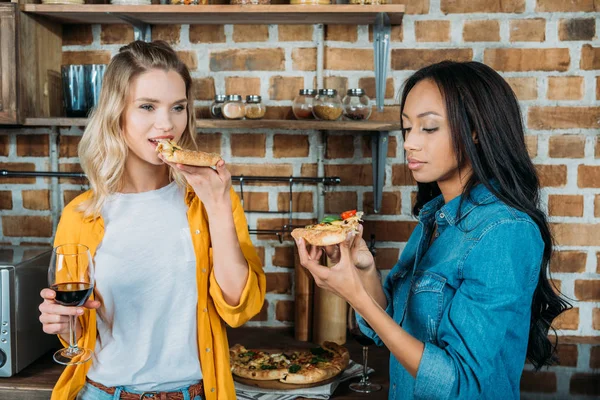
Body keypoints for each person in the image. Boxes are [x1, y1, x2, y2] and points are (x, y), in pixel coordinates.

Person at [295, 61, 570, 399]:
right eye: (407, 128)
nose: (409, 143)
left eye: (428, 128)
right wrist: (363, 271)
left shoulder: (505, 233)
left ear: (475, 130)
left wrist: (355, 297)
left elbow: (460, 385)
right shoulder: (435, 218)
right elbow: (395, 329)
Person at [39, 40, 266, 400]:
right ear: (117, 114)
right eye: (147, 106)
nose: (167, 124)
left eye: (178, 107)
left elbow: (240, 307)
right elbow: (77, 332)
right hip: (103, 392)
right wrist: (63, 324)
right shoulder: (81, 215)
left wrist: (218, 206)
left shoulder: (208, 200)